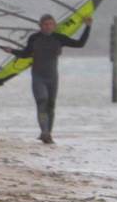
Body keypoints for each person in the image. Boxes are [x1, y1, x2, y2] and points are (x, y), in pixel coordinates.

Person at [5, 14, 92, 144]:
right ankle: (44, 132)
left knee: (51, 106)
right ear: (40, 26)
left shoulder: (59, 38)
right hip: (38, 76)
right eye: (45, 24)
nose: (48, 27)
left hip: (52, 77)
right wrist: (12, 51)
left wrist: (88, 27)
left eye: (51, 24)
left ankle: (47, 134)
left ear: (55, 26)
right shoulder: (34, 38)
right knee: (42, 100)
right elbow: (26, 54)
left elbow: (80, 44)